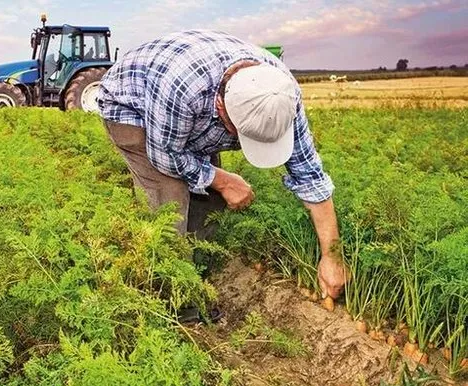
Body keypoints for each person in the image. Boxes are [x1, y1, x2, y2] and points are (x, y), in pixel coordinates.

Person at [97, 30, 347, 300]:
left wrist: (332, 256)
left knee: (209, 198)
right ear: (220, 108)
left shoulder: (281, 94)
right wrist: (225, 180)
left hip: (186, 111)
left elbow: (310, 175)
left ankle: (199, 271)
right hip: (133, 107)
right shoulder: (183, 88)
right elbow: (165, 156)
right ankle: (169, 295)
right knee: (169, 203)